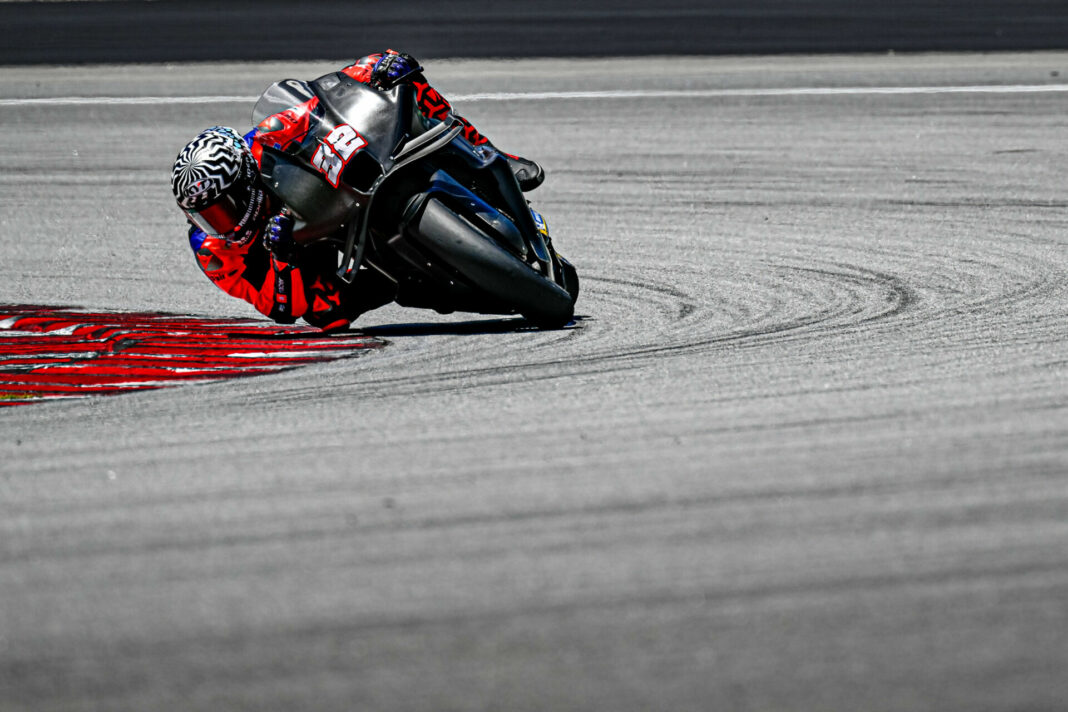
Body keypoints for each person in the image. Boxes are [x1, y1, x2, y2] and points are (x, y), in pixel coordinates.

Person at [170, 50, 544, 332]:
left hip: (342, 187)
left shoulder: (270, 134)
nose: (221, 224)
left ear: (246, 176)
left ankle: (488, 152)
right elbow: (281, 308)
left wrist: (382, 65)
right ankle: (399, 279)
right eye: (206, 217)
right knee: (325, 315)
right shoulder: (213, 252)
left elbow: (328, 97)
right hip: (313, 249)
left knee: (409, 85)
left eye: (224, 208)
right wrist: (282, 258)